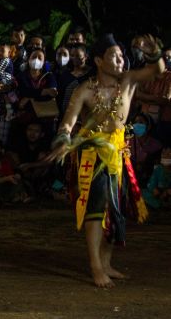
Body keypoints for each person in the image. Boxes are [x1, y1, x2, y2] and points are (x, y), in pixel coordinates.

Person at [46, 33, 164, 288]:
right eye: (114, 55)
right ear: (99, 61)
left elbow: (157, 70)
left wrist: (155, 53)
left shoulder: (129, 82)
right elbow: (68, 121)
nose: (120, 59)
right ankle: (95, 266)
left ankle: (107, 263)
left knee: (115, 211)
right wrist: (64, 138)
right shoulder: (85, 90)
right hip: (92, 154)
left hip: (119, 154)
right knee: (96, 210)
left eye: (122, 55)